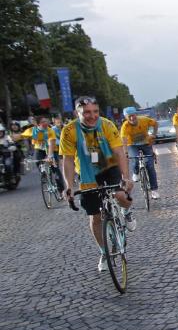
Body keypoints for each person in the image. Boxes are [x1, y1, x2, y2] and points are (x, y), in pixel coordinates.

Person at [60, 96, 136, 273]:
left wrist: (126, 177)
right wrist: (69, 186)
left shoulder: (107, 125)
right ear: (77, 113)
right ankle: (104, 252)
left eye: (95, 111)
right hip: (87, 173)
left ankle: (127, 211)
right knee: (94, 217)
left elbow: (118, 151)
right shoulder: (69, 130)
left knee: (120, 196)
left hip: (109, 167)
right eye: (86, 112)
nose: (92, 116)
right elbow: (68, 160)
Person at [120, 106, 160, 199]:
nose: (131, 118)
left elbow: (155, 124)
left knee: (150, 166)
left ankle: (154, 190)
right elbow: (124, 139)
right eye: (129, 116)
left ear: (136, 115)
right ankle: (136, 172)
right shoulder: (125, 126)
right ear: (126, 117)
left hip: (146, 143)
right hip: (132, 145)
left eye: (133, 115)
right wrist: (125, 152)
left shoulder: (144, 120)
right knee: (135, 159)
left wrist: (154, 134)